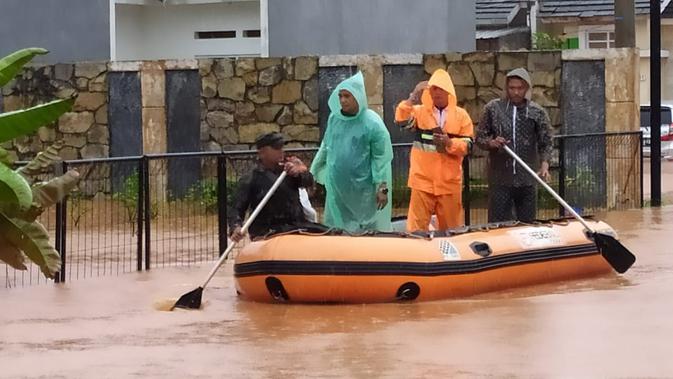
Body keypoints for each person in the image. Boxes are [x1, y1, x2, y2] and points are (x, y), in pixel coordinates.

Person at [310, 71, 393, 233]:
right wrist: (313, 173)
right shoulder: (334, 119)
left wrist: (382, 188)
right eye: (340, 96)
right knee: (337, 229)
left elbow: (381, 158)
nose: (342, 100)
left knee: (366, 233)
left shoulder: (372, 123)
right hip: (337, 189)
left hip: (364, 192)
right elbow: (326, 147)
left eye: (347, 96)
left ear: (358, 96)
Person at [395, 69, 474, 232]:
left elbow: (468, 145)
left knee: (452, 232)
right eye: (433, 89)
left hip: (449, 184)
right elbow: (401, 121)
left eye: (440, 89)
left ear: (449, 92)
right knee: (416, 231)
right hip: (422, 182)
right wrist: (411, 98)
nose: (436, 93)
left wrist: (449, 142)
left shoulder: (461, 116)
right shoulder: (419, 112)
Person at [475, 67, 553, 223]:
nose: (516, 92)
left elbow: (546, 141)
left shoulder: (537, 112)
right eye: (512, 88)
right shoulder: (493, 109)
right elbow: (479, 137)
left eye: (520, 88)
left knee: (527, 225)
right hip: (500, 179)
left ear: (527, 88)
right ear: (506, 88)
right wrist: (492, 143)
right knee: (499, 225)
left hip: (527, 179)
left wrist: (544, 165)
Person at [228, 132, 323, 242]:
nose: (281, 151)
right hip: (267, 231)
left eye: (282, 147)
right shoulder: (251, 178)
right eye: (276, 148)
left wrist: (301, 172)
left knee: (331, 233)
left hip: (295, 226)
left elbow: (308, 183)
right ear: (262, 153)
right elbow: (236, 207)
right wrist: (235, 227)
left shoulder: (289, 171)